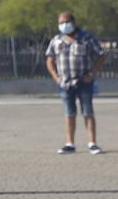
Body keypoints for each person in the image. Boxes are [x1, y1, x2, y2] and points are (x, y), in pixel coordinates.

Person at [44, 11, 106, 154]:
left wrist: (92, 73)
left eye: (66, 22)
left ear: (73, 22)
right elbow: (49, 60)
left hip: (83, 81)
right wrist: (56, 77)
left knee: (87, 112)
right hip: (65, 83)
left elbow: (101, 56)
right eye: (61, 23)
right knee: (69, 114)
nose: (64, 25)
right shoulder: (56, 40)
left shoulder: (86, 38)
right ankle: (70, 143)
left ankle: (92, 143)